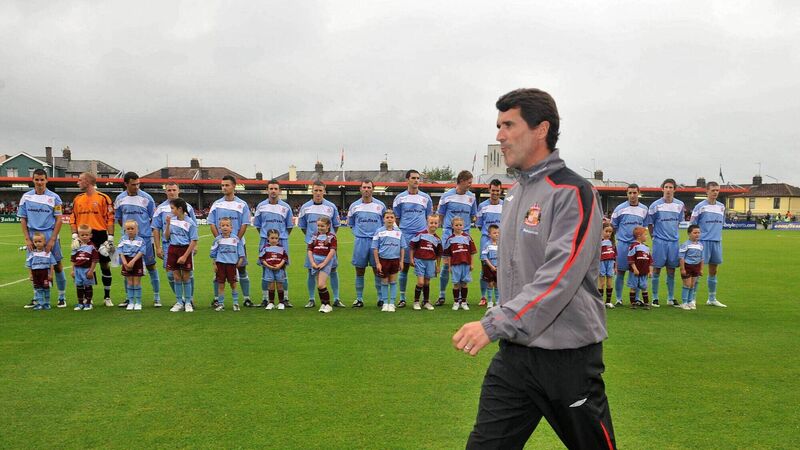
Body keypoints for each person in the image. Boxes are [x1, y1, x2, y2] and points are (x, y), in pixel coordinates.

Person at [452, 88, 615, 449]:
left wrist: (494, 323)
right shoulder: (514, 194)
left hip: (567, 360)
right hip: (515, 356)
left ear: (541, 130)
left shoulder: (573, 192)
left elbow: (558, 278)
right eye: (498, 125)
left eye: (509, 124)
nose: (499, 135)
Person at [18, 169, 67, 308]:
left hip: (49, 233)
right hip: (34, 235)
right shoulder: (26, 197)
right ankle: (37, 298)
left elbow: (59, 219)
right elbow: (23, 219)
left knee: (57, 266)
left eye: (42, 179)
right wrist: (27, 239)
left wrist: (52, 239)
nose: (39, 182)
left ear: (47, 180)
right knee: (35, 266)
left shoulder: (54, 198)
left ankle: (62, 297)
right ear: (33, 180)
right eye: (37, 179)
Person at [114, 172, 159, 308]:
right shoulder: (120, 198)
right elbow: (119, 218)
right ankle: (129, 298)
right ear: (126, 184)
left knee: (151, 266)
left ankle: (157, 297)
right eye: (133, 184)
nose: (136, 187)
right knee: (127, 268)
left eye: (138, 184)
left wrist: (145, 233)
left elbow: (153, 218)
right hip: (127, 241)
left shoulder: (147, 198)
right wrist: (127, 233)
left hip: (145, 238)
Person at [71, 172, 116, 306]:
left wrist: (110, 238)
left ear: (88, 182)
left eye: (80, 180)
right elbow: (73, 218)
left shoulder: (103, 198)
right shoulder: (77, 199)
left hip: (100, 234)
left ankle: (107, 297)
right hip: (82, 236)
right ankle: (87, 298)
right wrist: (74, 235)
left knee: (104, 265)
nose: (77, 182)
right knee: (84, 265)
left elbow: (110, 218)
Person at [208, 175, 253, 307]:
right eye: (222, 185)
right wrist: (220, 240)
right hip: (221, 246)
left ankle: (246, 298)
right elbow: (211, 223)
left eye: (227, 185)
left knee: (242, 269)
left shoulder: (242, 204)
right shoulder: (217, 204)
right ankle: (217, 299)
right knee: (218, 271)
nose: (224, 188)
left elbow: (244, 224)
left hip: (238, 244)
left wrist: (236, 241)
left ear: (234, 186)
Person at [436, 170, 478, 306]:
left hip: (464, 235)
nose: (471, 185)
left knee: (463, 265)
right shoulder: (447, 196)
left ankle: (461, 298)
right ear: (461, 182)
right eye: (469, 182)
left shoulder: (472, 197)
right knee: (446, 265)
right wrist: (446, 232)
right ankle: (442, 295)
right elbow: (440, 216)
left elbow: (473, 216)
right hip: (449, 234)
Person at [152, 182, 197, 308]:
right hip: (168, 246)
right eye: (169, 190)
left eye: (173, 190)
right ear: (165, 192)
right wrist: (158, 247)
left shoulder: (186, 207)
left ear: (179, 191)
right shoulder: (160, 208)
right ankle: (180, 299)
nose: (171, 192)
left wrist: (195, 246)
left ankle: (190, 299)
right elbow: (156, 228)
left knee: (188, 273)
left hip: (185, 245)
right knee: (171, 274)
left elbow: (193, 226)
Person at [393, 170, 433, 307]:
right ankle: (402, 298)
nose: (416, 180)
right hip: (405, 235)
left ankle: (424, 300)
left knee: (424, 268)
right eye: (413, 178)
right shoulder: (400, 198)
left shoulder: (426, 198)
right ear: (407, 180)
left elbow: (429, 216)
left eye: (418, 178)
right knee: (403, 268)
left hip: (421, 237)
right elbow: (397, 218)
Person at [298, 181, 341, 308]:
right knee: (311, 271)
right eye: (315, 190)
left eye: (320, 190)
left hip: (329, 247)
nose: (318, 193)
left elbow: (336, 225)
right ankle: (311, 299)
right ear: (312, 191)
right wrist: (314, 239)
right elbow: (302, 227)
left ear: (324, 191)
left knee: (333, 270)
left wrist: (328, 238)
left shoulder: (331, 206)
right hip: (313, 246)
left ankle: (337, 298)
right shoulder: (305, 207)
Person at [253, 180, 294, 307]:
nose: (273, 191)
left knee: (283, 269)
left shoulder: (286, 207)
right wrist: (267, 237)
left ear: (279, 191)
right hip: (265, 241)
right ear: (267, 190)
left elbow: (289, 226)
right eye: (271, 188)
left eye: (276, 188)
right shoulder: (261, 206)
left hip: (281, 241)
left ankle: (285, 299)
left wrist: (281, 237)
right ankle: (265, 299)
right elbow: (258, 225)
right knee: (265, 270)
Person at [647, 178, 685, 307]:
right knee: (657, 269)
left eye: (671, 187)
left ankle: (670, 298)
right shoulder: (655, 205)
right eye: (666, 187)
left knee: (671, 270)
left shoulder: (680, 205)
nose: (668, 190)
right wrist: (653, 237)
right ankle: (655, 298)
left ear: (674, 189)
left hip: (673, 242)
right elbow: (650, 223)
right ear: (662, 188)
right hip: (659, 242)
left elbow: (678, 222)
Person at [348, 179, 386, 307]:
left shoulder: (380, 206)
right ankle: (359, 299)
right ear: (360, 189)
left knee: (377, 270)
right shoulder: (354, 206)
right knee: (359, 270)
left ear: (372, 189)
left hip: (376, 243)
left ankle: (380, 298)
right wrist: (358, 234)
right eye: (364, 187)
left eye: (369, 187)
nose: (366, 190)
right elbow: (351, 224)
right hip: (360, 241)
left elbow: (384, 223)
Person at [611, 184, 649, 306]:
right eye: (630, 193)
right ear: (627, 194)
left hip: (637, 246)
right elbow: (613, 227)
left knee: (636, 273)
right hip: (622, 245)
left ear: (638, 193)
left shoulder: (644, 209)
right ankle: (618, 299)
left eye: (634, 192)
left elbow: (644, 227)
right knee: (620, 272)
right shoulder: (620, 208)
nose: (632, 195)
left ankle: (637, 298)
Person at [690, 182, 727, 307]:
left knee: (713, 270)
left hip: (716, 241)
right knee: (697, 271)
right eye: (713, 190)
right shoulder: (700, 206)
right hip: (703, 242)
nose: (715, 192)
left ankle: (712, 298)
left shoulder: (721, 207)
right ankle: (692, 299)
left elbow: (721, 223)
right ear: (707, 191)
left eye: (717, 190)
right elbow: (692, 224)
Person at [164, 198, 198, 312]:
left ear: (180, 209)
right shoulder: (171, 220)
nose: (171, 211)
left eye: (172, 208)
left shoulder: (190, 222)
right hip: (173, 249)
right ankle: (179, 302)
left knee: (186, 277)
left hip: (185, 250)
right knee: (176, 277)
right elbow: (167, 236)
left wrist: (185, 256)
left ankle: (188, 302)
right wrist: (168, 224)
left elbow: (193, 240)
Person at [475, 179, 504, 307]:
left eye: (497, 191)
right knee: (484, 269)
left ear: (501, 191)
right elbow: (479, 225)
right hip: (486, 240)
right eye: (493, 190)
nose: (495, 193)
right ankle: (483, 297)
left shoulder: (505, 205)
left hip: (501, 242)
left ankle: (499, 298)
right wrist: (489, 236)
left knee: (500, 268)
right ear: (489, 190)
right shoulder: (482, 206)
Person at [209, 217, 246, 311]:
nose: (225, 227)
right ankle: (221, 304)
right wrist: (214, 264)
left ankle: (235, 303)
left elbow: (241, 252)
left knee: (233, 284)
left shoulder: (236, 239)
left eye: (227, 225)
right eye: (223, 225)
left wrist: (240, 261)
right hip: (221, 265)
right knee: (221, 285)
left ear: (231, 227)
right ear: (219, 227)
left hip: (232, 265)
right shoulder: (217, 239)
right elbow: (213, 253)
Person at [372, 209, 404, 312]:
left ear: (395, 219)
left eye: (391, 217)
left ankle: (392, 303)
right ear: (383, 219)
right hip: (383, 260)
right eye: (387, 217)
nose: (389, 219)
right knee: (384, 281)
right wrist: (377, 263)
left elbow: (402, 248)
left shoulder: (399, 232)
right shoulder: (379, 231)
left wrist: (401, 261)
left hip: (395, 260)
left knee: (393, 281)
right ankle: (385, 302)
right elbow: (375, 248)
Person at [408, 214, 443, 310]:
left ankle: (426, 301)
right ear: (427, 223)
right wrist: (411, 259)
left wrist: (438, 265)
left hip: (431, 262)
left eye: (435, 223)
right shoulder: (420, 235)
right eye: (431, 222)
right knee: (420, 282)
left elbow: (439, 254)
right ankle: (416, 301)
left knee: (427, 282)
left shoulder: (437, 239)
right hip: (420, 260)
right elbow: (412, 247)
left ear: (438, 224)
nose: (433, 225)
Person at [443, 216, 476, 310]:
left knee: (464, 283)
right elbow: (448, 255)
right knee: (456, 284)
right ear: (452, 226)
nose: (458, 227)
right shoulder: (450, 239)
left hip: (466, 264)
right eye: (456, 225)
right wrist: (449, 266)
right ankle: (456, 302)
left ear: (463, 226)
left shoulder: (467, 238)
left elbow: (472, 252)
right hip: (455, 265)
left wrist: (472, 264)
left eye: (460, 225)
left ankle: (464, 302)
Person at [307, 216, 337, 313]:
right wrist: (312, 262)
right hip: (315, 261)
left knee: (321, 284)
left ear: (328, 226)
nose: (320, 228)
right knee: (319, 284)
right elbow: (309, 249)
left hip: (325, 262)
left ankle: (328, 305)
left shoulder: (331, 237)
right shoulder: (315, 236)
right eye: (318, 226)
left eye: (322, 226)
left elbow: (332, 251)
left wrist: (324, 263)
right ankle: (323, 304)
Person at [118, 220, 146, 311]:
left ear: (137, 229)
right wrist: (125, 263)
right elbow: (120, 251)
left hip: (136, 261)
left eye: (132, 228)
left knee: (136, 282)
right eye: (128, 229)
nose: (130, 230)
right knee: (129, 282)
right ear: (125, 230)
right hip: (126, 261)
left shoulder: (141, 240)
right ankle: (131, 302)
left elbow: (141, 252)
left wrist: (133, 261)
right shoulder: (123, 239)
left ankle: (138, 302)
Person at [25, 232, 58, 310]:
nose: (37, 243)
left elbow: (52, 264)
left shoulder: (48, 253)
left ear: (44, 242)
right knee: (38, 289)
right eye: (35, 242)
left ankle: (47, 303)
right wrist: (30, 274)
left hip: (45, 273)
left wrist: (51, 274)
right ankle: (40, 303)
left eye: (39, 241)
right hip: (35, 273)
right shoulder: (32, 254)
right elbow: (29, 265)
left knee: (46, 288)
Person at [71, 224, 100, 310]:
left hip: (87, 269)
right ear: (78, 235)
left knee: (88, 286)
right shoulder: (76, 245)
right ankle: (80, 303)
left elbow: (94, 260)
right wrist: (72, 270)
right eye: (82, 235)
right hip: (77, 269)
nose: (84, 237)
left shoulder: (92, 247)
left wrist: (91, 271)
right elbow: (73, 259)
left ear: (90, 235)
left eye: (86, 235)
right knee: (79, 286)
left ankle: (88, 303)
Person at [258, 229, 288, 310]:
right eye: (272, 238)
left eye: (276, 238)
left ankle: (281, 303)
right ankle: (271, 302)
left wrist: (279, 265)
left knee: (279, 285)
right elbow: (262, 259)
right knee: (271, 285)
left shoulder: (281, 248)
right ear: (268, 238)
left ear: (278, 239)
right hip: (269, 269)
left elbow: (285, 258)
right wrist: (268, 266)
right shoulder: (265, 248)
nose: (274, 240)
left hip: (279, 269)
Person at [678, 225, 704, 310]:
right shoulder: (685, 244)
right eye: (695, 233)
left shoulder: (700, 245)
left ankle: (690, 301)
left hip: (696, 266)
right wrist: (682, 268)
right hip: (688, 266)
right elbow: (681, 257)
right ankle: (684, 302)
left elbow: (702, 258)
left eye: (698, 233)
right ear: (689, 234)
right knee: (687, 284)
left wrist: (701, 269)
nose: (697, 234)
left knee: (693, 285)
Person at [627, 226, 653, 309]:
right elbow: (630, 259)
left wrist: (650, 271)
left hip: (644, 271)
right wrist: (634, 268)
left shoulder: (647, 247)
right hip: (635, 272)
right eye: (645, 234)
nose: (647, 236)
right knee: (633, 287)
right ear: (639, 236)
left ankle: (646, 304)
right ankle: (633, 304)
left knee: (644, 287)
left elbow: (650, 261)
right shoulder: (634, 246)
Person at [480, 224, 500, 309]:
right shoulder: (487, 245)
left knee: (497, 284)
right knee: (490, 284)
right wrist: (491, 266)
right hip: (489, 267)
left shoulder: (500, 245)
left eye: (498, 233)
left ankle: (498, 301)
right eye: (494, 233)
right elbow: (484, 257)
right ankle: (490, 301)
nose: (496, 234)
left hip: (498, 267)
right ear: (489, 234)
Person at [599, 225, 617, 308]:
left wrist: (615, 267)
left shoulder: (612, 242)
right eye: (606, 231)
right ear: (602, 231)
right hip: (601, 263)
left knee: (609, 283)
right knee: (602, 283)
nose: (608, 233)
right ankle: (599, 302)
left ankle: (608, 302)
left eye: (610, 232)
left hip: (610, 263)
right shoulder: (599, 241)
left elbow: (615, 256)